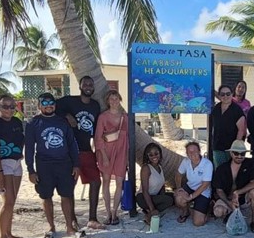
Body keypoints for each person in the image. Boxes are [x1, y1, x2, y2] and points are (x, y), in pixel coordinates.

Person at [25, 93, 82, 238]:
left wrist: (76, 164)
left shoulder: (62, 122)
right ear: (39, 106)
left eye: (51, 103)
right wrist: (31, 170)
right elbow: (30, 148)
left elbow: (72, 144)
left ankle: (70, 227)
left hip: (64, 164)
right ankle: (51, 227)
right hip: (44, 166)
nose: (48, 105)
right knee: (46, 196)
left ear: (55, 105)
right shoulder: (33, 123)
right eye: (44, 103)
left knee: (66, 195)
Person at [55, 75, 104, 230]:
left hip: (87, 150)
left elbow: (97, 128)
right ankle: (73, 220)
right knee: (70, 185)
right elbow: (51, 106)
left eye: (91, 84)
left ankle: (92, 218)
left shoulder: (95, 105)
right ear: (80, 86)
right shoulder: (69, 101)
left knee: (96, 181)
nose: (88, 86)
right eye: (85, 84)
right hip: (70, 151)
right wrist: (66, 115)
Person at [0, 94, 27, 238]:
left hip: (16, 162)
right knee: (7, 201)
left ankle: (9, 233)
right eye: (5, 106)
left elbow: (21, 140)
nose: (9, 110)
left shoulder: (17, 122)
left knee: (12, 201)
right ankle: (2, 237)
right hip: (2, 164)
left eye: (12, 106)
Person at [94, 90, 129, 225]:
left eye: (116, 98)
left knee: (119, 182)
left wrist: (126, 156)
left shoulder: (124, 117)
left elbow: (127, 137)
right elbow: (98, 138)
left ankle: (115, 213)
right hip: (106, 152)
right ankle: (108, 213)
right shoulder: (103, 117)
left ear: (120, 99)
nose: (114, 101)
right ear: (108, 101)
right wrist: (103, 156)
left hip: (121, 151)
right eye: (111, 99)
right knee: (106, 182)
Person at [212, 140, 254, 232]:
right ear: (231, 153)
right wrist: (229, 203)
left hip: (243, 199)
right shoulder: (222, 168)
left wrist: (238, 192)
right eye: (236, 153)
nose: (239, 156)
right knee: (218, 212)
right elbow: (219, 190)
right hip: (227, 198)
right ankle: (230, 212)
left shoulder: (250, 164)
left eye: (242, 154)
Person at [175, 141, 213, 226]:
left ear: (199, 151)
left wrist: (190, 197)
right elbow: (178, 175)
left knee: (198, 222)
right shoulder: (185, 161)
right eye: (189, 152)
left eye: (194, 151)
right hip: (190, 187)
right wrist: (179, 188)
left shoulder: (207, 164)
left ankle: (208, 210)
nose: (192, 153)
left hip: (203, 191)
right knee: (178, 198)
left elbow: (205, 185)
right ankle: (185, 212)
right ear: (187, 153)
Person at [136, 143, 174, 225]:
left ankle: (148, 212)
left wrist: (163, 197)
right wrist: (153, 208)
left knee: (173, 196)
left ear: (160, 153)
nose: (154, 156)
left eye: (156, 153)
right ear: (147, 156)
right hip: (143, 197)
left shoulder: (159, 167)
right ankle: (151, 212)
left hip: (154, 196)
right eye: (151, 155)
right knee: (169, 200)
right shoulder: (146, 168)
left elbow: (162, 186)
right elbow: (145, 191)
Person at [211, 85, 246, 168]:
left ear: (232, 94)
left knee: (231, 172)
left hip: (231, 148)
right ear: (219, 96)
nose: (225, 96)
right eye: (222, 94)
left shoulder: (237, 110)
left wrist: (236, 148)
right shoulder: (216, 108)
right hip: (218, 147)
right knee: (219, 170)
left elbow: (241, 130)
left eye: (228, 94)